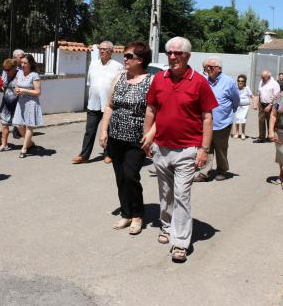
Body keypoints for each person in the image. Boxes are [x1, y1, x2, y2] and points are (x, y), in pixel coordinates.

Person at [142, 37, 218, 263]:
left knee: (182, 195)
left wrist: (204, 148)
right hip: (161, 148)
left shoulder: (199, 82)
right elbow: (151, 109)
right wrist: (148, 138)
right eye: (169, 53)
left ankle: (181, 242)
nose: (173, 56)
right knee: (165, 193)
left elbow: (207, 117)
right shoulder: (159, 79)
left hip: (187, 150)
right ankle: (166, 226)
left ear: (188, 56)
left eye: (178, 53)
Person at [99, 41, 152, 235]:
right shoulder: (119, 78)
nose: (125, 59)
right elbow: (110, 106)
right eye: (125, 55)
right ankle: (126, 213)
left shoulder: (150, 81)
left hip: (137, 138)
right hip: (115, 136)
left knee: (131, 176)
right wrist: (104, 130)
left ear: (141, 60)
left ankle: (137, 215)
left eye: (129, 56)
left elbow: (155, 111)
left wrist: (151, 135)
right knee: (120, 177)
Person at [73, 41, 123, 164]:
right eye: (100, 48)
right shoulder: (93, 64)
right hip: (93, 104)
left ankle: (108, 154)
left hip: (109, 105)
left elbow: (120, 87)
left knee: (109, 131)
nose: (102, 51)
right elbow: (90, 83)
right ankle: (84, 156)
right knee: (89, 131)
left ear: (111, 51)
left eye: (105, 49)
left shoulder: (118, 66)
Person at [195, 57, 239, 182]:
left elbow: (236, 100)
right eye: (206, 67)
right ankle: (204, 172)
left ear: (219, 69)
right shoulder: (204, 81)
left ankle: (222, 170)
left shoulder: (229, 82)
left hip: (223, 122)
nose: (207, 69)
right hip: (206, 122)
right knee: (206, 147)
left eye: (210, 67)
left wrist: (229, 112)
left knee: (220, 148)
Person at [13, 54, 43, 158]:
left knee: (29, 126)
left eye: (25, 63)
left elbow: (38, 92)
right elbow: (16, 87)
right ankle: (30, 143)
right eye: (22, 63)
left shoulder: (34, 75)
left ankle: (24, 148)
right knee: (19, 125)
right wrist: (17, 91)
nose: (23, 65)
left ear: (30, 64)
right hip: (21, 102)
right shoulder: (19, 73)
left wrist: (24, 90)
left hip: (31, 102)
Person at [0, 59, 19, 152]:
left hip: (17, 105)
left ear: (14, 68)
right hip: (6, 104)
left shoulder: (19, 75)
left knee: (20, 127)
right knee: (4, 124)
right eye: (5, 70)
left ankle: (28, 142)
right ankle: (4, 145)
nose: (6, 72)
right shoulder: (5, 75)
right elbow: (3, 88)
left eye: (8, 70)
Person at [253, 70, 280, 143]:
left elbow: (277, 96)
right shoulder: (261, 82)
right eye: (261, 77)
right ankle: (261, 137)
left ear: (269, 76)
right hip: (262, 104)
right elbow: (259, 93)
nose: (262, 79)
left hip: (270, 105)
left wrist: (270, 105)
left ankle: (270, 137)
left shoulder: (274, 84)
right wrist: (256, 103)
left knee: (270, 121)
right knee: (261, 121)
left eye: (263, 77)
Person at [231, 74, 252, 140]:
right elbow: (232, 96)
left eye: (242, 81)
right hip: (237, 106)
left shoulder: (247, 88)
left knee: (243, 120)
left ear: (244, 82)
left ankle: (243, 133)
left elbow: (252, 96)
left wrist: (255, 104)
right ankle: (237, 133)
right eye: (239, 81)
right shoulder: (235, 88)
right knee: (237, 120)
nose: (240, 82)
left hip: (245, 107)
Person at [11, 49, 25, 139]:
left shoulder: (24, 67)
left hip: (21, 93)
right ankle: (16, 130)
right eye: (21, 57)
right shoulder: (10, 66)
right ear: (15, 58)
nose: (23, 59)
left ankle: (19, 130)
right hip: (11, 93)